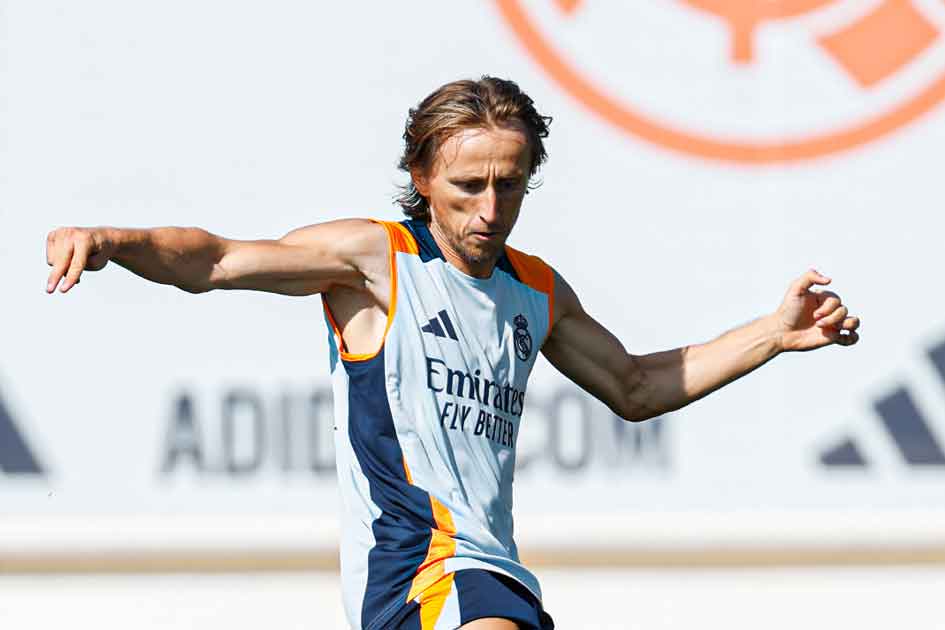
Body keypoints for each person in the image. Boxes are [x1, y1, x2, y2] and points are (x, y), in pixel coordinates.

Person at [44, 77, 860, 630]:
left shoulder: (534, 290)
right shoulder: (374, 261)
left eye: (508, 184)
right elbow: (216, 260)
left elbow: (637, 386)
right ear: (421, 176)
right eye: (468, 187)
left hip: (476, 575)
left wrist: (771, 335)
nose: (489, 208)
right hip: (417, 565)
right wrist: (115, 241)